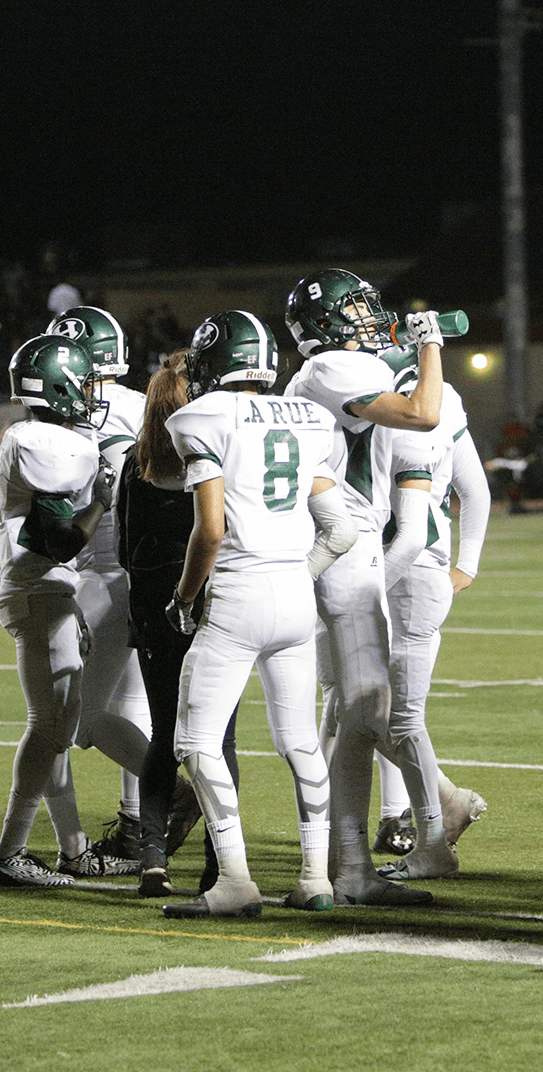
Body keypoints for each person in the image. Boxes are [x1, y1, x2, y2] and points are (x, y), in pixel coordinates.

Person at [157, 310, 356, 917]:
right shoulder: (309, 418)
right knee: (300, 742)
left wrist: (184, 597)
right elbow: (341, 530)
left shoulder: (201, 418)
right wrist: (299, 574)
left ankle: (236, 881)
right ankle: (316, 879)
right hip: (295, 597)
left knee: (196, 741)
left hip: (238, 596)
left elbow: (210, 530)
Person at [282, 268, 450, 905]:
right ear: (325, 323)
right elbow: (422, 413)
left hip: (348, 542)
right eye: (354, 309)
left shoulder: (345, 374)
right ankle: (346, 865)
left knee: (349, 710)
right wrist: (430, 344)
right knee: (366, 705)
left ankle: (335, 862)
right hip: (338, 542)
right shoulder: (330, 367)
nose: (368, 317)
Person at [0, 334, 114, 888]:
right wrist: (102, 500)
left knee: (57, 725)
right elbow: (60, 540)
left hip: (46, 592)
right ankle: (9, 853)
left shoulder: (33, 437)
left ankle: (73, 849)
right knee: (50, 727)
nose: (90, 393)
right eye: (83, 383)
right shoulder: (41, 441)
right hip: (38, 592)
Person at [43, 305, 154, 878]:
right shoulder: (145, 404)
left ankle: (165, 799)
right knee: (130, 700)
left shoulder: (78, 414)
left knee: (66, 717)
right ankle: (139, 826)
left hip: (103, 572)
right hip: (147, 568)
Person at [369, 376, 492, 873]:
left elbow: (424, 524)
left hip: (401, 569)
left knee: (384, 715)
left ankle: (428, 830)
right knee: (363, 709)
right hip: (406, 569)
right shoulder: (437, 396)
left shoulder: (391, 402)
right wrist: (467, 565)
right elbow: (475, 490)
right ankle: (410, 812)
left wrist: (467, 567)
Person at [116, 356, 226, 899]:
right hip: (206, 609)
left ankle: (153, 860)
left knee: (164, 736)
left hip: (149, 608)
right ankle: (217, 862)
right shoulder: (211, 456)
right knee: (219, 739)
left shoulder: (135, 462)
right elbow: (218, 535)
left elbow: (123, 548)